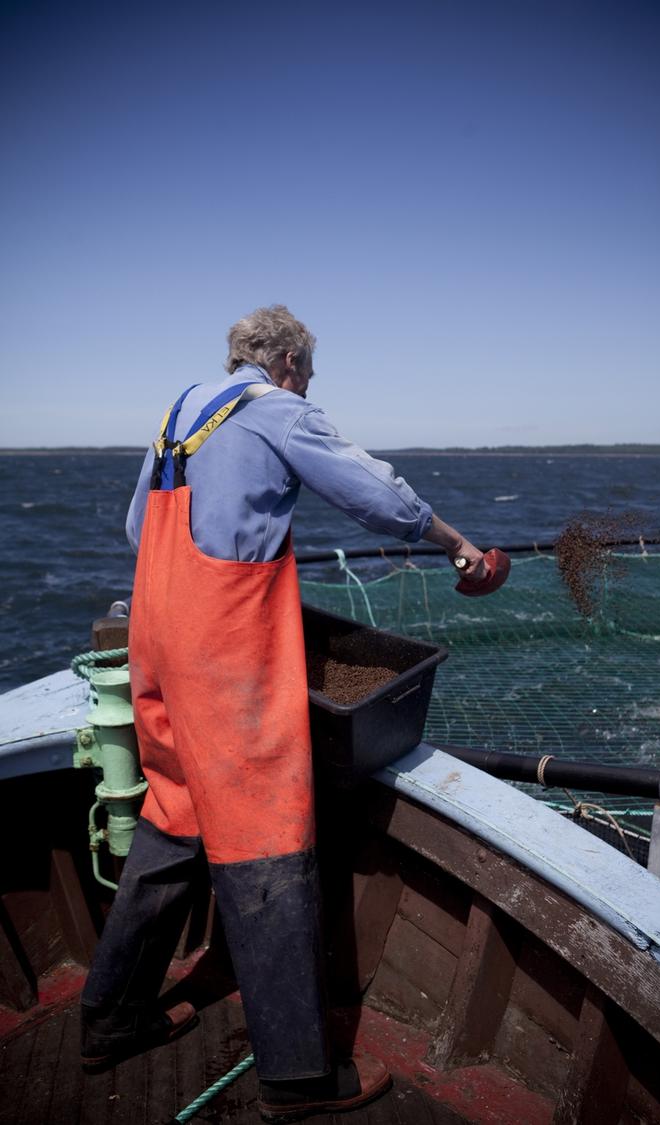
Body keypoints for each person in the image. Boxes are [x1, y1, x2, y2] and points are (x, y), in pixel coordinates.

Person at [80, 305, 487, 1122]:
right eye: (311, 372)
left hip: (156, 641)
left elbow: (137, 526)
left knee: (175, 809)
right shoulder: (277, 410)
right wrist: (451, 540)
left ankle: (110, 1016)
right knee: (261, 829)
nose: (309, 384)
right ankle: (298, 1075)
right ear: (291, 361)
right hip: (221, 653)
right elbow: (374, 493)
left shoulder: (177, 411)